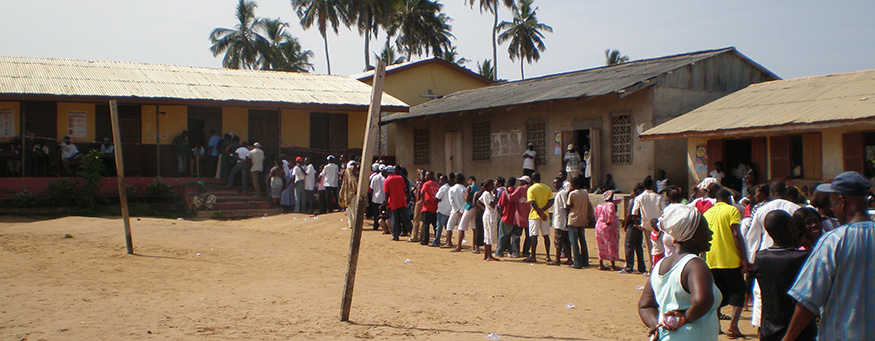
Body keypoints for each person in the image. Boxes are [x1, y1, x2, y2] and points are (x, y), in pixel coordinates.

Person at [785, 171, 875, 340]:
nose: (833, 209)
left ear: (842, 201)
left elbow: (808, 301)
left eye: (832, 202)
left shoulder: (833, 241)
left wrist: (788, 338)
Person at [638, 205, 721, 341]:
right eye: (705, 229)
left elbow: (645, 305)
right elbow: (702, 302)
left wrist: (657, 325)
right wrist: (685, 318)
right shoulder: (695, 264)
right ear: (691, 234)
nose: (710, 233)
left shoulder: (660, 265)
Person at [751, 210, 816, 341]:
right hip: (799, 331)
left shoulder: (760, 258)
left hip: (769, 329)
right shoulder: (803, 258)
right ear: (790, 228)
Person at [745, 180, 799, 328]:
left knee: (761, 294)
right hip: (792, 257)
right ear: (786, 192)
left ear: (771, 193)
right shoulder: (795, 209)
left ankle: (761, 329)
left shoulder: (762, 209)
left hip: (766, 257)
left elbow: (752, 238)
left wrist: (751, 261)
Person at [701, 188, 748, 338]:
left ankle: (717, 326)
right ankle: (733, 325)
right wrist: (744, 257)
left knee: (716, 294)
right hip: (730, 259)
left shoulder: (707, 213)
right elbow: (736, 233)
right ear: (729, 199)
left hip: (711, 260)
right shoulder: (732, 211)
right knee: (739, 292)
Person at [631, 177, 667, 272]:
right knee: (660, 247)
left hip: (646, 225)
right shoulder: (658, 197)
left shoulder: (639, 198)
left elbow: (634, 212)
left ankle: (652, 268)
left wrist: (636, 224)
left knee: (649, 248)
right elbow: (664, 211)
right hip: (658, 226)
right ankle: (660, 267)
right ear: (652, 185)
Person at [525, 172, 553, 263]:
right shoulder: (547, 188)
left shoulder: (531, 189)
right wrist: (543, 211)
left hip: (534, 215)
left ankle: (533, 256)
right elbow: (551, 201)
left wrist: (539, 212)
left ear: (532, 180)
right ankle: (548, 255)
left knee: (534, 235)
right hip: (545, 215)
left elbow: (532, 202)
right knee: (546, 235)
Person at [567, 177, 593, 269]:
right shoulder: (585, 192)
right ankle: (585, 261)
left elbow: (568, 206)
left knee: (574, 242)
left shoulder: (572, 194)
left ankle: (577, 263)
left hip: (573, 220)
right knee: (582, 240)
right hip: (582, 219)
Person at [621, 184, 647, 274]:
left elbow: (629, 214)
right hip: (640, 223)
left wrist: (625, 224)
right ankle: (641, 267)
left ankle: (629, 267)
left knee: (629, 245)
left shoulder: (633, 200)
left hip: (633, 224)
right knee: (638, 246)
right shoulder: (642, 200)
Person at [453, 176, 481, 252]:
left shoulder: (469, 188)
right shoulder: (478, 188)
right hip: (475, 208)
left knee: (461, 227)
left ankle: (458, 246)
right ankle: (474, 246)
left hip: (469, 208)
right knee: (474, 227)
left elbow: (467, 199)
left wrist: (466, 194)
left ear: (470, 180)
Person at [548, 177, 571, 266]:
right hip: (559, 219)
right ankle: (569, 258)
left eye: (557, 183)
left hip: (561, 220)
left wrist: (566, 218)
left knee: (558, 240)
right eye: (554, 183)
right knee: (565, 240)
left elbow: (566, 207)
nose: (555, 184)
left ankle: (557, 259)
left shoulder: (563, 193)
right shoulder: (560, 193)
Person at [495, 177, 520, 258]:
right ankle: (514, 251)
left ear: (508, 183)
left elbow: (501, 204)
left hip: (506, 216)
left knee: (502, 235)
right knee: (515, 236)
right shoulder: (517, 191)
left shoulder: (506, 192)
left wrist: (501, 214)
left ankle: (499, 252)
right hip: (515, 217)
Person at [477, 179, 500, 261]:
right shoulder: (487, 194)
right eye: (491, 185)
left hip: (489, 214)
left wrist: (485, 209)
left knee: (487, 235)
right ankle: (489, 255)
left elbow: (479, 202)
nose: (493, 187)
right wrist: (497, 196)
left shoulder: (487, 194)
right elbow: (492, 205)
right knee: (489, 234)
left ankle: (486, 255)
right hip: (490, 216)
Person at [443, 174, 467, 249]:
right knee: (461, 228)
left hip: (454, 210)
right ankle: (459, 244)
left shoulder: (452, 189)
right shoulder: (464, 189)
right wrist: (461, 210)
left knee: (449, 226)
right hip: (462, 211)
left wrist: (456, 210)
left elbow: (451, 201)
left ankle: (448, 242)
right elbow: (466, 201)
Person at [418, 171, 440, 246]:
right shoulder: (437, 185)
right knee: (435, 225)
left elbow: (422, 193)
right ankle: (437, 239)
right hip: (435, 208)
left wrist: (423, 201)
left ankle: (425, 240)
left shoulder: (426, 184)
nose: (425, 177)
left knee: (426, 225)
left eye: (427, 175)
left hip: (427, 207)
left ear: (430, 176)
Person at [431, 174, 451, 247]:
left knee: (439, 226)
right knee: (448, 227)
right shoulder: (449, 188)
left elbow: (437, 198)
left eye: (440, 180)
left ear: (444, 180)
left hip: (442, 210)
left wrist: (437, 200)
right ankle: (449, 241)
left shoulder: (443, 188)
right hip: (449, 210)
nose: (439, 181)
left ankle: (436, 241)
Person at [338, 161, 358, 228]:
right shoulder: (352, 177)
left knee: (349, 210)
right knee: (354, 211)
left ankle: (351, 224)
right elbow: (354, 185)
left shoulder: (345, 176)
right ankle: (355, 225)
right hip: (352, 195)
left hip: (346, 195)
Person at [370, 165, 386, 230]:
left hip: (376, 198)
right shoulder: (385, 178)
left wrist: (373, 195)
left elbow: (371, 188)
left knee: (376, 213)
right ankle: (385, 226)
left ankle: (375, 226)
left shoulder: (374, 177)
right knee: (385, 213)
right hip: (384, 199)